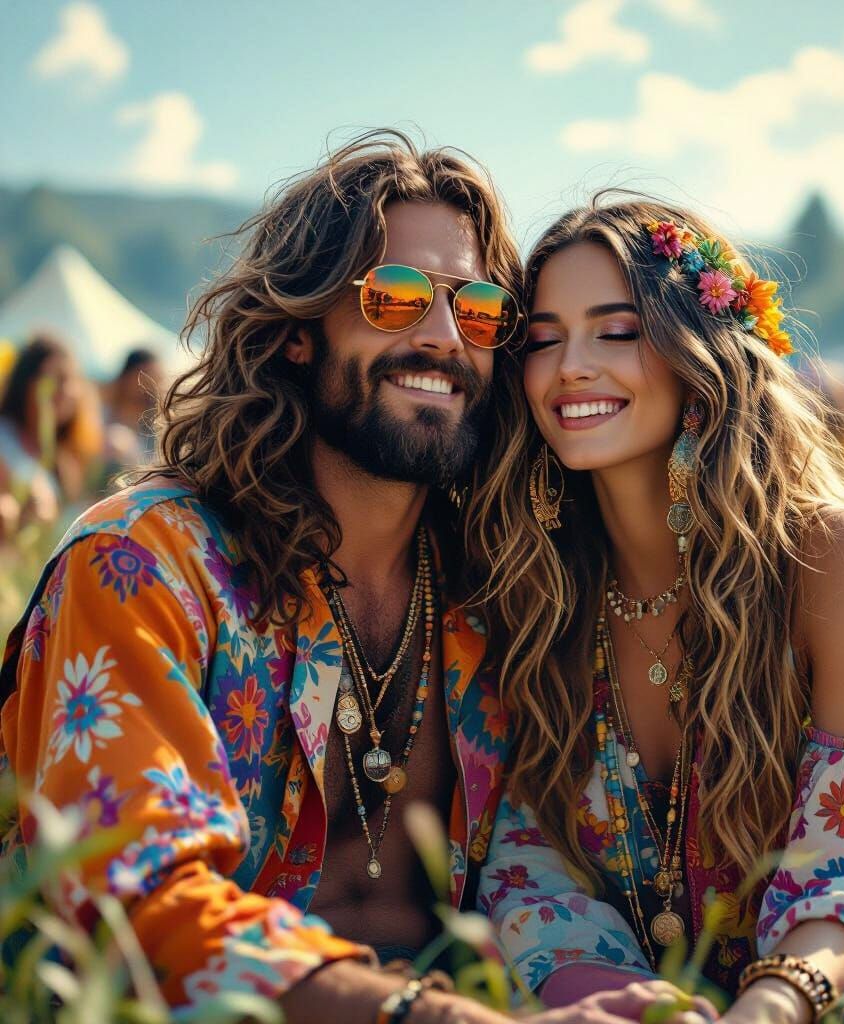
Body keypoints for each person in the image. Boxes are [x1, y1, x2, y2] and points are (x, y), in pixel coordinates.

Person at [0, 133, 673, 1024]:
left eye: (476, 312)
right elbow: (132, 898)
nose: (442, 338)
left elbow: (541, 870)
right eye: (394, 299)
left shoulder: (501, 588)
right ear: (294, 335)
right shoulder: (143, 564)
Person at [472, 198, 844, 1022]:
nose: (570, 366)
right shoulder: (528, 582)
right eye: (543, 339)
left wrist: (772, 1004)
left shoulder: (834, 559)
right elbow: (524, 862)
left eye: (616, 331)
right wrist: (624, 1003)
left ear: (702, 351)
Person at [0, 333, 103, 528]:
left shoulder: (67, 459)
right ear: (25, 382)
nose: (63, 390)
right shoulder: (4, 439)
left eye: (68, 380)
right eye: (52, 380)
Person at [103, 347, 166, 469]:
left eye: (156, 380)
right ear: (126, 376)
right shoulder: (98, 414)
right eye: (145, 377)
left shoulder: (156, 436)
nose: (150, 388)